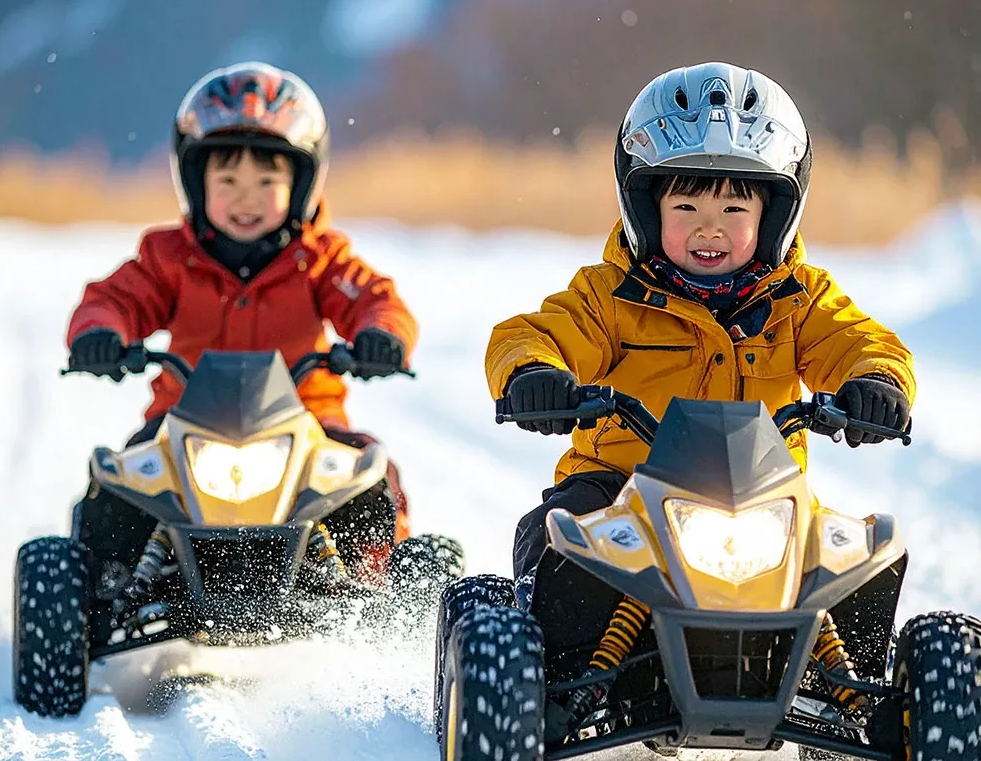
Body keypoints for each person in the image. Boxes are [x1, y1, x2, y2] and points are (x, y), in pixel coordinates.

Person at [484, 61, 915, 588]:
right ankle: (546, 664)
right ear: (646, 210)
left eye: (735, 208)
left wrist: (876, 383)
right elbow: (531, 335)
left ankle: (860, 669)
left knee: (855, 566)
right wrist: (533, 373)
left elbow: (861, 342)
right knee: (558, 541)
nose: (710, 228)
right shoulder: (609, 295)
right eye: (686, 206)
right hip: (621, 490)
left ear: (774, 217)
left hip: (766, 496)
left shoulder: (801, 298)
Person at [66, 61, 416, 580]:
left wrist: (380, 336)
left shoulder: (319, 258)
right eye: (227, 179)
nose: (246, 198)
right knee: (115, 490)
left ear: (301, 183)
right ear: (193, 180)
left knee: (370, 477)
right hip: (180, 422)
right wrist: (100, 334)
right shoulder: (168, 257)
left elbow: (374, 298)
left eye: (267, 180)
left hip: (307, 420)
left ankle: (385, 597)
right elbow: (116, 298)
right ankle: (102, 588)